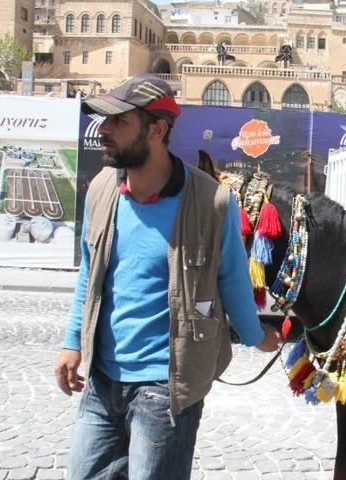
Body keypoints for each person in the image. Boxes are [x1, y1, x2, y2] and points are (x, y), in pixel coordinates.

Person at [53, 74, 280, 480]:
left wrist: (255, 335)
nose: (104, 129)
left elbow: (232, 279)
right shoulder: (102, 188)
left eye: (118, 121)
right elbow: (90, 273)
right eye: (105, 120)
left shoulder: (211, 200)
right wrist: (72, 342)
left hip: (167, 388)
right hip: (102, 381)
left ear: (157, 130)